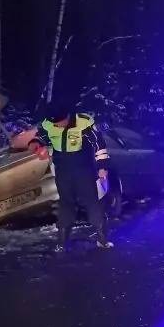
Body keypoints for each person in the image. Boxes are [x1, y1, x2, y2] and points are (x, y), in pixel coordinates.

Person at [27, 101, 113, 252]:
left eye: (60, 123)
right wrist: (35, 143)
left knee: (93, 202)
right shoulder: (48, 123)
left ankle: (102, 239)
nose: (57, 126)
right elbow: (40, 136)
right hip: (63, 170)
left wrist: (102, 168)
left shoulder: (83, 122)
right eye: (55, 123)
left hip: (84, 170)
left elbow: (99, 145)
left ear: (68, 116)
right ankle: (61, 242)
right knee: (66, 204)